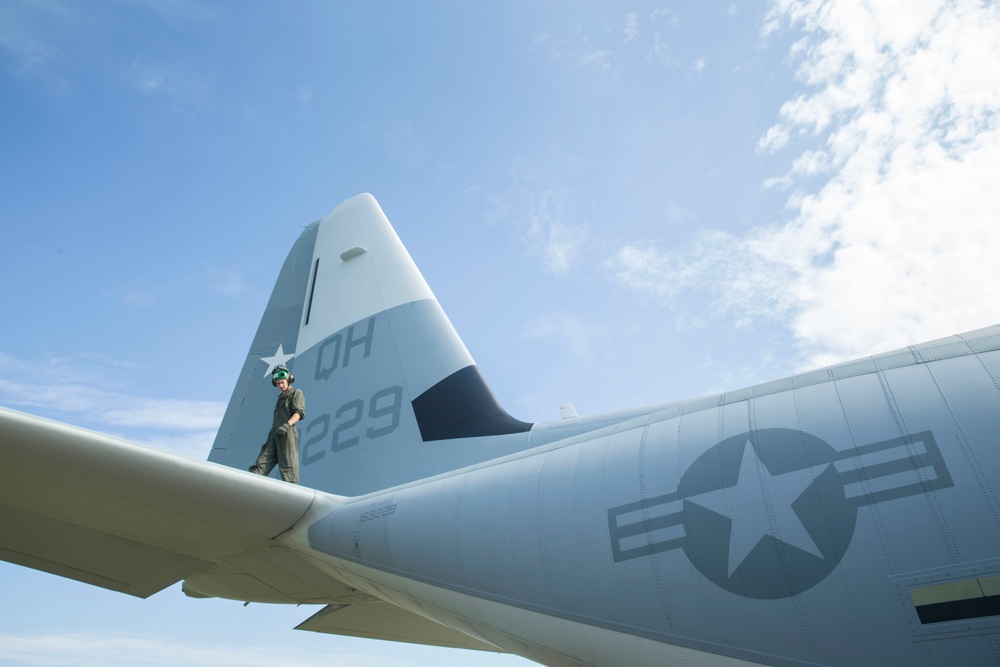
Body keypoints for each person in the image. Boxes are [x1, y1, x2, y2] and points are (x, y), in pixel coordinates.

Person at [249, 365, 305, 483]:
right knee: (262, 462)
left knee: (288, 466)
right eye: (278, 383)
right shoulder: (280, 397)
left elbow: (298, 413)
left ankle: (292, 494)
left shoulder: (296, 393)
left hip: (287, 432)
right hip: (274, 433)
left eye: (282, 382)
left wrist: (287, 425)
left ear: (289, 379)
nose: (280, 386)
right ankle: (247, 484)